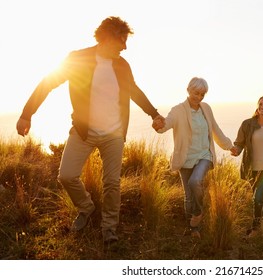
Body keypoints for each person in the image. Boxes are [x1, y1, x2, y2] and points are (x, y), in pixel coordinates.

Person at [16, 16, 165, 243]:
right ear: (106, 38)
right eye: (122, 41)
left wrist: (154, 114)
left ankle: (109, 229)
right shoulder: (78, 59)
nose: (125, 47)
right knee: (66, 175)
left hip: (114, 134)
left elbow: (134, 91)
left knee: (112, 183)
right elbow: (47, 83)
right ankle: (86, 207)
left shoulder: (122, 65)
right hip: (84, 130)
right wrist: (27, 114)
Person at [152, 77, 233, 239]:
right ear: (188, 90)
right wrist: (158, 126)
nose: (200, 97)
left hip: (204, 155)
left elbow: (215, 129)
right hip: (185, 158)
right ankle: (194, 228)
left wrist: (229, 146)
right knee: (188, 196)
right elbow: (166, 124)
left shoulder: (206, 108)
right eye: (197, 93)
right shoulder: (178, 110)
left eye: (203, 94)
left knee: (195, 181)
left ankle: (199, 212)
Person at [231, 95, 263, 237]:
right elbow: (239, 143)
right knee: (258, 197)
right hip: (252, 167)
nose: (262, 107)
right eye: (260, 104)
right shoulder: (247, 124)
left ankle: (255, 228)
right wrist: (236, 151)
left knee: (257, 196)